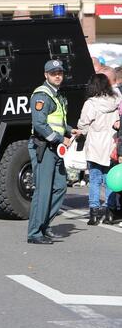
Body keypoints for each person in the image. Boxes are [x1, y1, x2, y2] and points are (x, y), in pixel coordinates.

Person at [27, 59, 81, 244]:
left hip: (55, 148)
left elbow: (56, 121)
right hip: (44, 147)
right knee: (43, 191)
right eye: (53, 73)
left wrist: (68, 130)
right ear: (46, 75)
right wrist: (60, 139)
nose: (58, 75)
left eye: (60, 72)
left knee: (60, 187)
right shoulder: (42, 95)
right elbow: (39, 124)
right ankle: (35, 233)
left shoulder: (56, 94)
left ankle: (44, 225)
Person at [77, 73, 121, 225]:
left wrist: (81, 131)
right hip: (111, 144)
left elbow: (83, 124)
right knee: (110, 180)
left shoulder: (91, 103)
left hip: (95, 145)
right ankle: (110, 212)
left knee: (94, 180)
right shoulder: (116, 100)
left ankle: (94, 214)